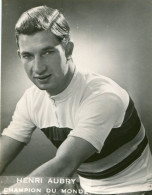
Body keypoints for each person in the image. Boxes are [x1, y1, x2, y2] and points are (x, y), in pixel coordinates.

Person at [0, 5, 152, 195]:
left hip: (132, 188)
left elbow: (64, 165)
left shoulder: (103, 96)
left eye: (48, 52)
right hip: (82, 187)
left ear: (68, 49)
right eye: (28, 56)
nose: (38, 68)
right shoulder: (31, 99)